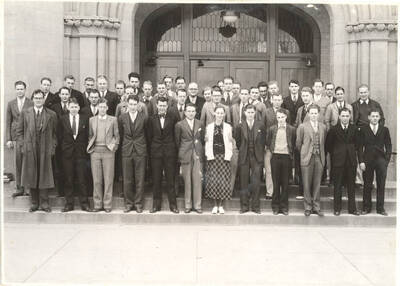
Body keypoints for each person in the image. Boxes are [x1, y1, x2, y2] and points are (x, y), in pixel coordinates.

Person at [16, 89, 57, 212]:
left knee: (44, 175)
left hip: (45, 149)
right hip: (30, 149)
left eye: (41, 98)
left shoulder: (51, 114)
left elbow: (55, 134)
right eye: (36, 98)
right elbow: (19, 132)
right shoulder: (25, 113)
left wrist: (52, 148)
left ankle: (44, 203)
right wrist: (23, 147)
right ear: (33, 99)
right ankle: (34, 202)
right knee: (31, 175)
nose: (38, 100)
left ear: (44, 99)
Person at [58, 98, 91, 212]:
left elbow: (88, 136)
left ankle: (84, 203)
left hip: (81, 153)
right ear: (68, 107)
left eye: (75, 107)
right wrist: (63, 149)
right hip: (67, 154)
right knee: (69, 179)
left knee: (82, 179)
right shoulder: (62, 119)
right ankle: (69, 203)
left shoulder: (85, 119)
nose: (73, 109)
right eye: (71, 107)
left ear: (79, 108)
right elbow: (59, 136)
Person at [147, 97, 179, 213]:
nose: (161, 107)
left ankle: (173, 205)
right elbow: (149, 137)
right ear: (156, 106)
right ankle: (156, 205)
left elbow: (176, 135)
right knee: (156, 179)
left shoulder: (173, 118)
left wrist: (173, 149)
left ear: (167, 106)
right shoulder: (151, 119)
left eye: (164, 106)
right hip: (156, 152)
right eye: (160, 105)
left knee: (170, 179)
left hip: (169, 152)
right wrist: (154, 148)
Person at [325, 108, 360, 216]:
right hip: (338, 162)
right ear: (339, 116)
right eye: (343, 116)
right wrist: (337, 153)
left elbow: (358, 145)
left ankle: (352, 208)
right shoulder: (333, 129)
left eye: (347, 116)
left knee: (351, 186)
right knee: (338, 185)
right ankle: (337, 208)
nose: (345, 118)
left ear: (350, 117)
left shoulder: (354, 129)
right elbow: (328, 146)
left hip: (351, 161)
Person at [87, 98, 120, 212]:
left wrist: (113, 147)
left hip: (108, 152)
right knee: (96, 179)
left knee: (108, 179)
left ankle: (107, 205)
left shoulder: (113, 120)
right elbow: (90, 135)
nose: (102, 109)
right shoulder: (92, 120)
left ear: (107, 108)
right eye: (100, 107)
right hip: (95, 151)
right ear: (97, 108)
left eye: (104, 107)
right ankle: (97, 204)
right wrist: (91, 147)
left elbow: (117, 136)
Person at [358, 109, 392, 216]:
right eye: (373, 116)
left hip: (381, 161)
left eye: (377, 116)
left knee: (381, 184)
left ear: (379, 118)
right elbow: (359, 147)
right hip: (367, 160)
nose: (375, 118)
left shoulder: (384, 129)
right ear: (369, 117)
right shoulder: (363, 129)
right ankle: (366, 207)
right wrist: (361, 161)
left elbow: (389, 145)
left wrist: (386, 160)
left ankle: (380, 208)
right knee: (367, 184)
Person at [118, 95, 148, 213]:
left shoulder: (144, 117)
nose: (132, 106)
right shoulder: (122, 118)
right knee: (127, 178)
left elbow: (147, 134)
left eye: (135, 104)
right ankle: (129, 203)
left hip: (140, 150)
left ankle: (139, 203)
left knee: (140, 178)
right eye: (130, 104)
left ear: (138, 105)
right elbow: (120, 134)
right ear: (127, 104)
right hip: (127, 150)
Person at [296, 104, 327, 217]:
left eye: (315, 113)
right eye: (311, 113)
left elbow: (324, 143)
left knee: (317, 183)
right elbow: (298, 144)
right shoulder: (302, 126)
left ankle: (316, 207)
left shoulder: (323, 127)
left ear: (318, 114)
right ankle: (308, 207)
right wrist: (305, 153)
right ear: (308, 114)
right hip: (307, 157)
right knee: (307, 183)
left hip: (319, 157)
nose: (314, 115)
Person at [352, 84, 385, 186]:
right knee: (359, 154)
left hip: (373, 134)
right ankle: (359, 179)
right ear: (358, 93)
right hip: (359, 133)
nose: (363, 94)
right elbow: (352, 121)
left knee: (373, 155)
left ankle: (373, 181)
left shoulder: (375, 104)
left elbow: (382, 119)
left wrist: (377, 130)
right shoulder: (354, 105)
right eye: (361, 92)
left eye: (365, 92)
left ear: (368, 92)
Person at [235, 104, 266, 214]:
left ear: (255, 113)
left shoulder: (260, 125)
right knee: (243, 182)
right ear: (244, 113)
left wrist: (258, 152)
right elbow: (238, 142)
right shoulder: (239, 126)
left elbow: (263, 141)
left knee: (256, 182)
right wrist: (244, 150)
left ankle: (256, 207)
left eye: (252, 112)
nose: (250, 114)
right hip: (244, 156)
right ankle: (244, 206)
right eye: (248, 112)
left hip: (256, 156)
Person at [203, 105, 233, 214]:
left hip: (224, 157)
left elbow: (230, 143)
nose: (220, 115)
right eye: (218, 113)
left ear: (224, 114)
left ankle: (221, 205)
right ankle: (215, 205)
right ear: (214, 114)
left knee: (223, 181)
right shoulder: (209, 127)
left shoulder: (228, 127)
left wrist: (229, 155)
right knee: (214, 180)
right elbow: (207, 143)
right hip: (213, 156)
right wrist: (208, 155)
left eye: (222, 113)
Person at [175, 103, 205, 213]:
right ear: (185, 112)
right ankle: (188, 205)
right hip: (185, 153)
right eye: (189, 111)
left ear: (196, 112)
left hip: (197, 152)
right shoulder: (179, 125)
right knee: (187, 180)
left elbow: (201, 139)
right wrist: (182, 152)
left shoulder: (200, 123)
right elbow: (177, 141)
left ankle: (197, 205)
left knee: (197, 179)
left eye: (193, 111)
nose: (191, 113)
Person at [266, 109, 296, 215]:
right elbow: (268, 142)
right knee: (276, 182)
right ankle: (275, 206)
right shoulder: (272, 129)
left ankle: (284, 207)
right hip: (275, 157)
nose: (280, 119)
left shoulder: (292, 129)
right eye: (278, 117)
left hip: (287, 157)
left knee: (285, 183)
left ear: (286, 117)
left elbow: (293, 143)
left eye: (282, 117)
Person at [6, 81, 33, 197]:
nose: (20, 91)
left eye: (22, 89)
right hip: (16, 137)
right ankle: (19, 188)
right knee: (18, 162)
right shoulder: (11, 104)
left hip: (28, 136)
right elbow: (8, 122)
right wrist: (9, 139)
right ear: (15, 90)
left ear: (25, 90)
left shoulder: (31, 102)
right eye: (18, 89)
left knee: (28, 162)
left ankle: (28, 188)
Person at [264, 94, 290, 200]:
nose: (277, 102)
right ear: (271, 100)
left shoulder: (286, 112)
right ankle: (270, 191)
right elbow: (263, 126)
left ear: (282, 100)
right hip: (269, 144)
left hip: (282, 146)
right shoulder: (267, 112)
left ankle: (280, 192)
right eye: (275, 100)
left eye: (279, 99)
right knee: (269, 169)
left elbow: (289, 127)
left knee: (280, 171)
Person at [282, 79, 304, 187]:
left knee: (299, 154)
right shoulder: (285, 100)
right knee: (289, 153)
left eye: (296, 86)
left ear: (298, 87)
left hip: (300, 131)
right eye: (292, 86)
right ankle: (289, 177)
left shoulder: (302, 99)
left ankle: (298, 177)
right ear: (289, 88)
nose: (294, 88)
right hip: (289, 130)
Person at [51, 87, 71, 197]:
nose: (64, 96)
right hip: (59, 141)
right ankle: (61, 191)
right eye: (62, 94)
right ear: (59, 95)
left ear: (69, 95)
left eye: (66, 94)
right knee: (59, 167)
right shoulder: (54, 108)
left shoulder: (73, 106)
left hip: (70, 142)